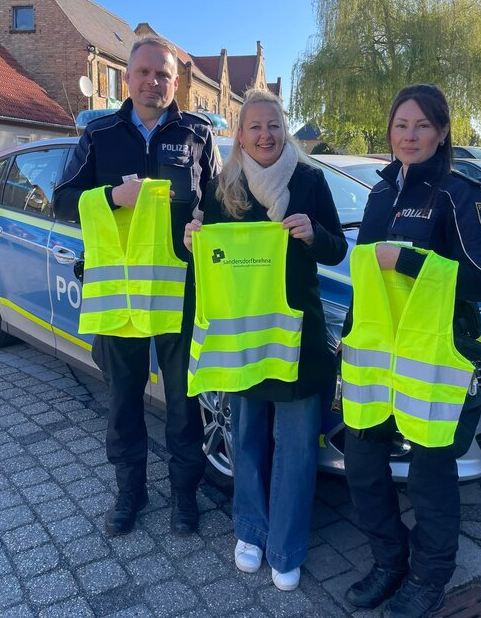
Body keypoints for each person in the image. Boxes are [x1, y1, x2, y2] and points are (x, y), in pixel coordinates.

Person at [342, 84, 481, 618]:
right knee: (362, 465)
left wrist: (406, 262)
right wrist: (349, 335)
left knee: (431, 475)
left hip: (431, 358)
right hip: (374, 357)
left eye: (422, 126)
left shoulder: (459, 193)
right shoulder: (380, 192)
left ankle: (429, 578)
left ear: (442, 132)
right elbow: (366, 274)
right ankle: (390, 563)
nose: (409, 136)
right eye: (401, 125)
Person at [53, 34, 219, 537]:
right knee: (124, 400)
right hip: (119, 295)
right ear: (127, 77)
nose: (153, 82)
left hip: (179, 293)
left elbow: (220, 202)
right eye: (144, 72)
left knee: (184, 400)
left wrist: (203, 224)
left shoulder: (197, 133)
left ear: (175, 82)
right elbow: (62, 201)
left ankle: (185, 497)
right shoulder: (100, 134)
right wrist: (111, 197)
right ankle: (131, 492)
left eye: (163, 74)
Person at [184, 89, 347, 591]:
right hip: (245, 338)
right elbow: (207, 258)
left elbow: (337, 248)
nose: (265, 135)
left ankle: (286, 547)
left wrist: (313, 233)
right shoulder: (222, 186)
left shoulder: (310, 180)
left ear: (284, 127)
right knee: (248, 437)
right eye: (254, 126)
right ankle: (251, 531)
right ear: (240, 134)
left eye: (273, 125)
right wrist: (191, 239)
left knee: (297, 446)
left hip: (297, 336)